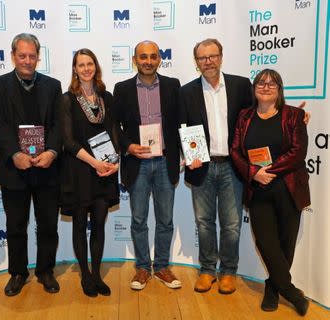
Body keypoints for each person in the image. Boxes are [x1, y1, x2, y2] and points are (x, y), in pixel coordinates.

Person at [0, 33, 62, 296]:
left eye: (32, 56)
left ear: (38, 56)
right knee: (16, 224)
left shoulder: (53, 86)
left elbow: (57, 124)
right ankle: (18, 272)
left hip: (46, 167)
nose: (28, 61)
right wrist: (14, 154)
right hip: (13, 169)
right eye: (22, 55)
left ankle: (45, 270)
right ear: (12, 56)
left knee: (48, 223)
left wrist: (52, 151)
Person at [230, 69, 310, 316]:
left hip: (288, 188)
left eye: (271, 83)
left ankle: (273, 288)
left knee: (286, 244)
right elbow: (235, 151)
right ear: (254, 89)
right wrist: (253, 173)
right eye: (261, 83)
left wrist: (269, 170)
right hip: (258, 191)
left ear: (280, 89)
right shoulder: (244, 117)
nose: (266, 87)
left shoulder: (294, 115)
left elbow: (298, 152)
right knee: (266, 243)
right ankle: (293, 293)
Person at [179, 38, 253, 294]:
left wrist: (294, 117)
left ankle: (229, 271)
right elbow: (183, 128)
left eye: (212, 56)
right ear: (196, 62)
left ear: (221, 57)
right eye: (202, 58)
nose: (208, 61)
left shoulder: (242, 86)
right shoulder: (186, 91)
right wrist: (190, 154)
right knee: (204, 222)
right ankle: (208, 269)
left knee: (232, 224)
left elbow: (259, 116)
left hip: (233, 166)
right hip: (202, 166)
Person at [113, 40, 182, 290]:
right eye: (143, 57)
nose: (148, 61)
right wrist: (129, 146)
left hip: (165, 161)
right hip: (137, 163)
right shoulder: (122, 89)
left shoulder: (173, 86)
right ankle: (142, 268)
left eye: (153, 56)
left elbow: (183, 122)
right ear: (135, 60)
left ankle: (162, 267)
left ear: (160, 59)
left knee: (165, 219)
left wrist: (192, 150)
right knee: (138, 219)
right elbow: (114, 127)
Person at [58, 49, 119, 297]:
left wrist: (115, 162)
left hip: (105, 171)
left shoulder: (107, 96)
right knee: (80, 224)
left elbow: (114, 129)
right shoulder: (67, 99)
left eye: (90, 63)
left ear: (96, 66)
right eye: (81, 64)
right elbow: (68, 142)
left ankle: (96, 274)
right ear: (74, 69)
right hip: (80, 171)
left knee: (100, 225)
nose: (86, 68)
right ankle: (84, 275)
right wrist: (95, 162)